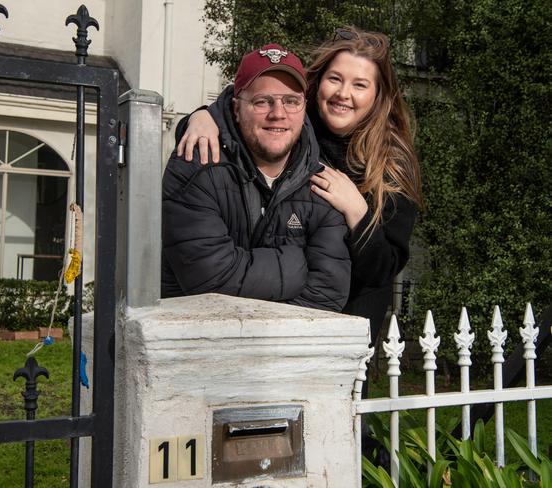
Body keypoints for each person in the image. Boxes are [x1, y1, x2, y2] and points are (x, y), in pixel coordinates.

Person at [176, 27, 423, 347]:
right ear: (317, 82)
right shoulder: (291, 126)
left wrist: (357, 210)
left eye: (359, 85)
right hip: (261, 316)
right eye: (335, 79)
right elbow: (242, 106)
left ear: (378, 95)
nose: (343, 93)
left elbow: (382, 270)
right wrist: (203, 118)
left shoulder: (391, 165)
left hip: (339, 334)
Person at [162, 44, 351, 312]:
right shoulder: (197, 165)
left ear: (304, 107)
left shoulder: (323, 186)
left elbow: (327, 295)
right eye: (262, 101)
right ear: (236, 108)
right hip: (196, 345)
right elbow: (209, 276)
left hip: (283, 350)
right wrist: (296, 267)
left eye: (291, 101)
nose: (278, 113)